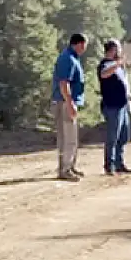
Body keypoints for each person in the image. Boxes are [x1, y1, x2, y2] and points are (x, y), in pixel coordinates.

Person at [97, 38, 131, 175]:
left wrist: (130, 97)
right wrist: (118, 64)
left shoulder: (117, 67)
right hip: (112, 106)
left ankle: (119, 163)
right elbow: (104, 74)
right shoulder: (105, 64)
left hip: (123, 105)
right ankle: (109, 165)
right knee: (112, 137)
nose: (120, 51)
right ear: (112, 50)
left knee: (123, 136)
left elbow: (123, 84)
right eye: (118, 48)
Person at [51, 33, 87, 181]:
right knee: (68, 137)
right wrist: (70, 102)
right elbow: (64, 83)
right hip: (65, 101)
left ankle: (70, 166)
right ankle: (65, 169)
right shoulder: (68, 59)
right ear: (78, 44)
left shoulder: (72, 58)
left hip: (67, 101)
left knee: (71, 137)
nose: (84, 49)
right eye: (84, 45)